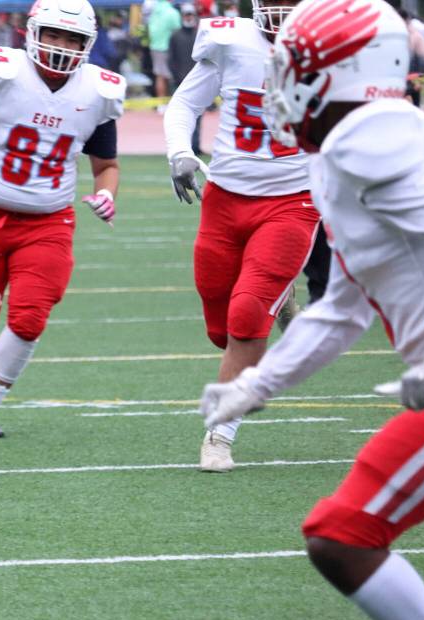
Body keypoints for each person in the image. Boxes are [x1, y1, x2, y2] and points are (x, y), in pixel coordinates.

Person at [203, 1, 424, 620]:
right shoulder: (339, 149)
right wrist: (256, 385)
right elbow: (343, 306)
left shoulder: (366, 136)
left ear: (344, 74)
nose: (279, 81)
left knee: (341, 534)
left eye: (295, 66)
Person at [0, 0, 124, 438]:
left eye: (72, 39)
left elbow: (106, 165)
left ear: (88, 44)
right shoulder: (1, 74)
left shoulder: (97, 91)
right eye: (54, 34)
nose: (61, 46)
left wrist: (106, 192)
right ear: (32, 32)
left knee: (30, 316)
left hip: (49, 222)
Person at [163, 0, 318, 471]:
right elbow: (186, 102)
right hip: (225, 199)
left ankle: (220, 433)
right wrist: (179, 152)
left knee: (247, 316)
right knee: (220, 327)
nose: (284, 8)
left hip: (293, 201)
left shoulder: (333, 44)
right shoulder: (232, 40)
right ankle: (282, 294)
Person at [167, 3, 201, 154]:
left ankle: (195, 146)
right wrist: (175, 77)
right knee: (180, 116)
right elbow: (171, 59)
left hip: (199, 81)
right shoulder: (175, 36)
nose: (189, 17)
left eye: (191, 15)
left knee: (198, 117)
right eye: (186, 15)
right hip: (180, 81)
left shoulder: (199, 34)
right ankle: (183, 148)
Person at [147, 0, 182, 101]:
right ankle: (174, 101)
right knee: (173, 76)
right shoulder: (172, 12)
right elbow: (178, 30)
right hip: (169, 48)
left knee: (160, 76)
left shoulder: (154, 11)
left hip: (155, 47)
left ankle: (161, 103)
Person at [398, 8, 424, 107]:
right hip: (399, 76)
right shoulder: (398, 34)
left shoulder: (415, 36)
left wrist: (419, 80)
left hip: (412, 77)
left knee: (414, 104)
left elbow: (422, 60)